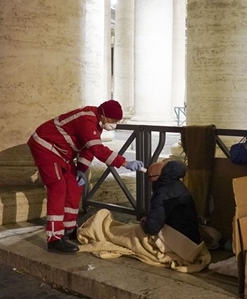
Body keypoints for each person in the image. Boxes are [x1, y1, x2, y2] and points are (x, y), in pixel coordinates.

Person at [28, 100, 144, 254]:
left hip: (61, 153)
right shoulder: (87, 119)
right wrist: (124, 162)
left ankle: (69, 229)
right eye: (113, 120)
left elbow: (87, 149)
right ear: (103, 115)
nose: (115, 124)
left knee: (75, 186)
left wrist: (81, 169)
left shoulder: (97, 123)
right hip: (45, 147)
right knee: (58, 188)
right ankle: (54, 239)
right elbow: (97, 149)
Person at [140, 160, 201, 245]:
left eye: (150, 177)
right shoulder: (176, 184)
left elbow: (151, 228)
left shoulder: (163, 193)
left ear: (159, 176)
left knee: (134, 234)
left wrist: (143, 221)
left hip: (180, 240)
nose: (149, 180)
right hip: (189, 235)